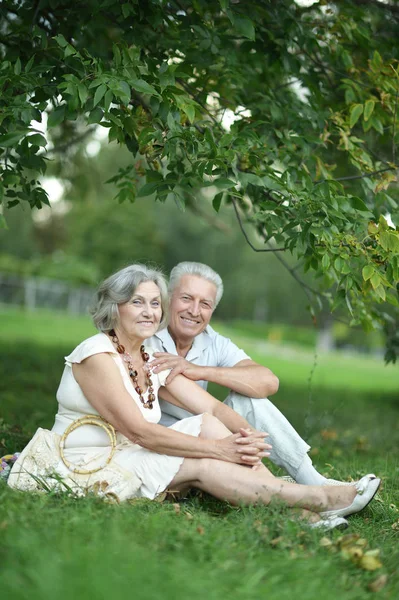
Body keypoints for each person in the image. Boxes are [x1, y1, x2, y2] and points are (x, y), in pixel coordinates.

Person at [8, 264, 380, 529]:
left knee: (208, 424)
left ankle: (303, 513)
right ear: (115, 306)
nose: (150, 312)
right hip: (86, 462)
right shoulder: (97, 354)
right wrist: (222, 450)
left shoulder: (150, 357)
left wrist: (244, 439)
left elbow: (213, 407)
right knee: (204, 464)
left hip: (129, 453)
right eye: (138, 302)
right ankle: (322, 499)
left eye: (155, 303)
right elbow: (140, 432)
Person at [149, 262, 345, 486]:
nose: (194, 311)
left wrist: (201, 371)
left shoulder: (212, 341)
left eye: (205, 304)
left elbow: (268, 382)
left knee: (249, 399)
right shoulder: (148, 333)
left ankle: (310, 479)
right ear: (168, 298)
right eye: (186, 298)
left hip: (207, 430)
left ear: (212, 311)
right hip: (165, 441)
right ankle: (283, 490)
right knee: (216, 422)